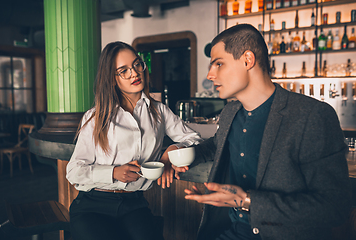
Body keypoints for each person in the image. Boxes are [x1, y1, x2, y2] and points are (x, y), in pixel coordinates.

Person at [182, 24, 352, 240]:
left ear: (247, 60)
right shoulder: (230, 112)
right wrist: (180, 152)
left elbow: (334, 207)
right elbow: (217, 144)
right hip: (232, 232)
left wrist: (247, 200)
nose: (210, 74)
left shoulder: (312, 115)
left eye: (218, 64)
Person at [66, 41, 202, 240]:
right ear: (112, 79)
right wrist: (113, 172)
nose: (134, 73)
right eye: (123, 70)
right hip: (93, 206)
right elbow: (74, 171)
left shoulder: (159, 111)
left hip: (135, 204)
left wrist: (173, 149)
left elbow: (194, 139)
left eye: (137, 64)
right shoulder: (96, 117)